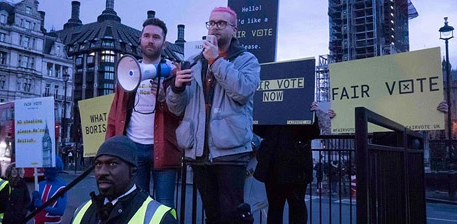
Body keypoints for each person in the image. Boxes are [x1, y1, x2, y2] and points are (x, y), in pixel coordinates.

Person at [166, 6, 260, 223]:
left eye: (221, 23)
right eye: (212, 23)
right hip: (199, 152)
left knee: (233, 215)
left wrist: (216, 61)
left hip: (231, 151)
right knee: (212, 215)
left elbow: (243, 91)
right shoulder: (194, 61)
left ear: (234, 30)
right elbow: (177, 109)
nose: (215, 27)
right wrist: (177, 88)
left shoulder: (247, 60)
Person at [106, 17, 181, 208]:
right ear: (140, 40)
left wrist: (164, 96)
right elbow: (115, 114)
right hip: (133, 147)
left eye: (156, 37)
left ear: (164, 43)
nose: (150, 40)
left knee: (165, 204)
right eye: (146, 36)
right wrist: (109, 147)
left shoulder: (173, 73)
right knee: (137, 203)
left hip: (164, 147)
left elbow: (180, 114)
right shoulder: (128, 70)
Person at [253, 102, 332, 223]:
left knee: (282, 207)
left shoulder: (277, 108)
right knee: (290, 206)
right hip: (290, 164)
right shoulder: (295, 105)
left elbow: (313, 133)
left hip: (280, 163)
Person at [71, 135, 177, 223]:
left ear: (133, 171)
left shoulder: (160, 218)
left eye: (112, 164)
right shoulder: (81, 212)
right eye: (98, 164)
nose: (102, 172)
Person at [30, 156, 67, 224]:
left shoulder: (61, 187)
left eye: (51, 169)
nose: (47, 171)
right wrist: (33, 200)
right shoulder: (40, 184)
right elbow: (31, 209)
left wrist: (42, 206)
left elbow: (60, 211)